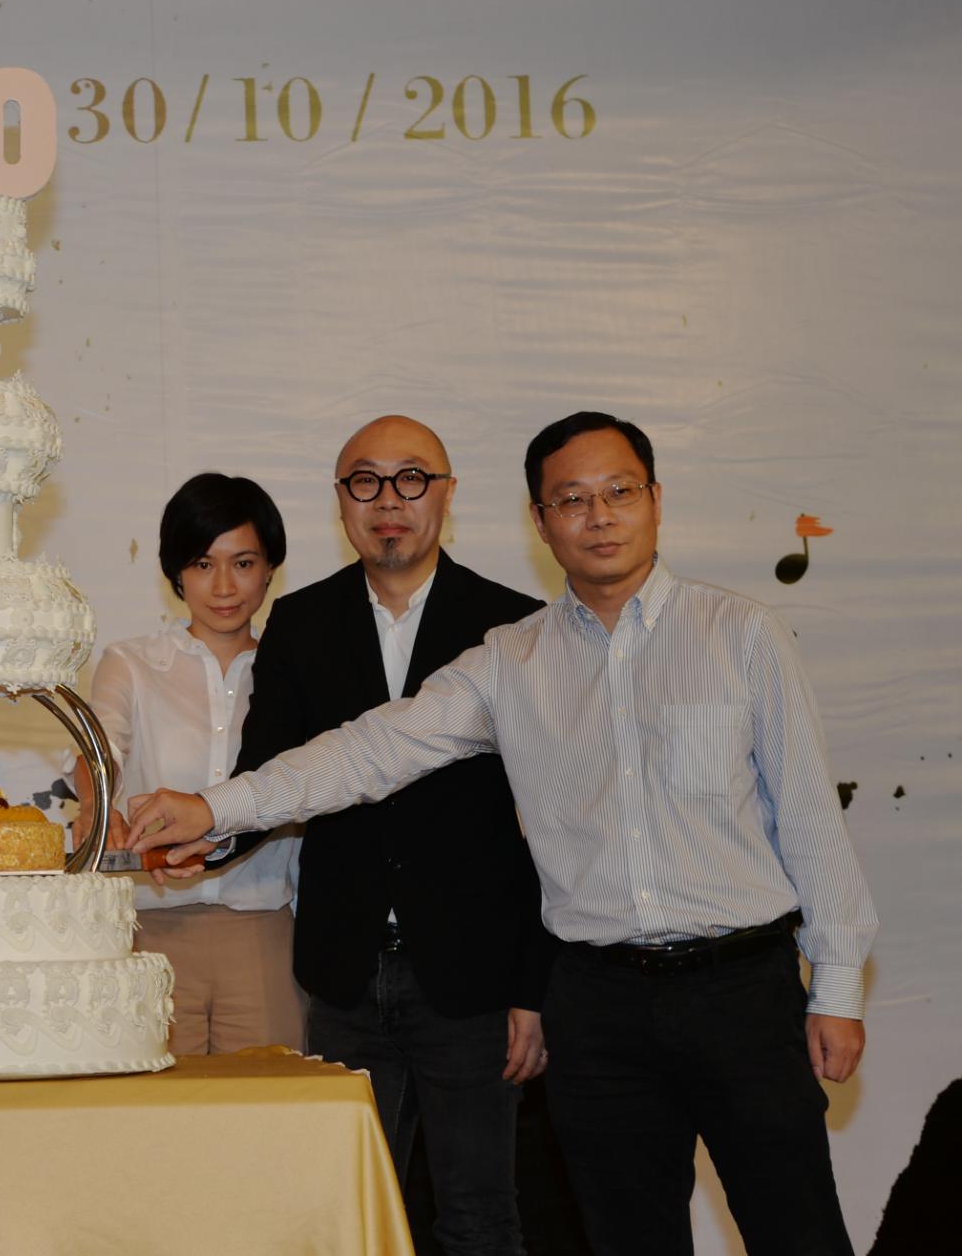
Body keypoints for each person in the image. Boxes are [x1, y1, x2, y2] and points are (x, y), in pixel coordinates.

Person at [127, 412, 877, 1256]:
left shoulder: (741, 633)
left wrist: (837, 987)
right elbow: (367, 751)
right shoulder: (508, 659)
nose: (598, 515)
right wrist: (214, 808)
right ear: (540, 521)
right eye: (572, 499)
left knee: (798, 1233)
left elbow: (809, 816)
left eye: (619, 492)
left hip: (741, 991)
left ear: (655, 500)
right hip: (597, 1006)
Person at [232, 415, 550, 1255]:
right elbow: (266, 775)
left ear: (447, 493)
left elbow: (547, 826)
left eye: (412, 478)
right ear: (341, 501)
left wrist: (532, 986)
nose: (389, 500)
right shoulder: (300, 621)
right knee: (348, 1220)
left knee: (480, 1216)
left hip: (473, 979)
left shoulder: (516, 625)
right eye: (365, 481)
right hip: (344, 974)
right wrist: (192, 827)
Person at [74, 471, 305, 1053]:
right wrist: (95, 807)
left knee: (269, 1104)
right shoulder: (131, 663)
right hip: (151, 927)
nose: (223, 585)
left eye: (243, 563)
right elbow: (100, 748)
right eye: (203, 564)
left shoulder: (296, 673)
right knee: (155, 1107)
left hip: (263, 933)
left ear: (270, 568)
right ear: (176, 571)